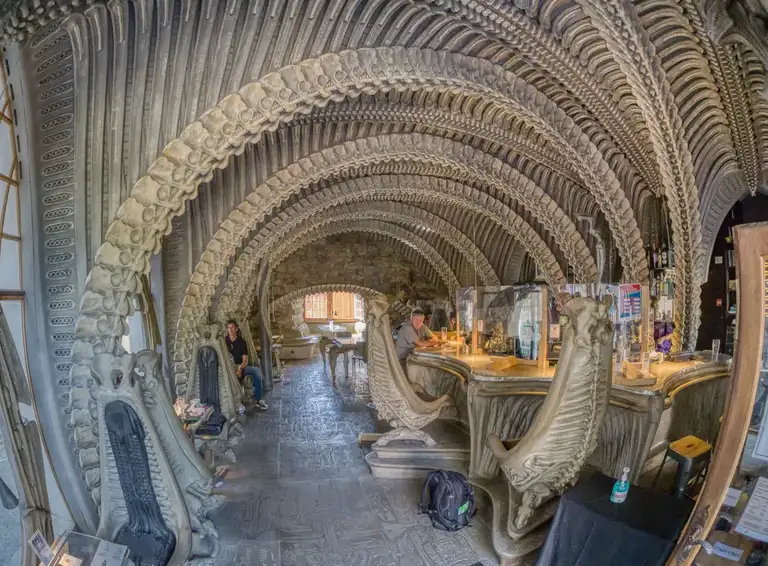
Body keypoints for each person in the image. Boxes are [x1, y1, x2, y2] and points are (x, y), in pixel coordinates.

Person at [225, 320, 267, 410]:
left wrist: (240, 369)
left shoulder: (241, 342)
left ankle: (259, 399)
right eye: (228, 328)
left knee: (256, 371)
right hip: (228, 367)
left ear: (236, 329)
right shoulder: (224, 341)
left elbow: (245, 360)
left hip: (240, 366)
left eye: (232, 327)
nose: (230, 330)